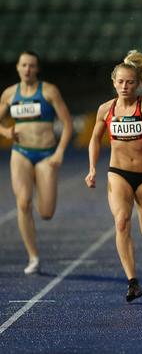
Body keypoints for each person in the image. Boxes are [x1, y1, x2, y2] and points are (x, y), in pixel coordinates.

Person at [85, 50, 142, 302]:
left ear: (137, 83)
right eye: (120, 81)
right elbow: (94, 140)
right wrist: (92, 168)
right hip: (117, 173)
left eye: (130, 82)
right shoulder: (105, 110)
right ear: (113, 82)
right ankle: (133, 282)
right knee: (121, 222)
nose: (124, 86)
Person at [0, 51, 73, 275]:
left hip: (46, 155)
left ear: (37, 69)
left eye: (32, 66)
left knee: (46, 212)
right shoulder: (10, 94)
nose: (27, 69)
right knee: (23, 203)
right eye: (24, 65)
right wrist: (5, 131)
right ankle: (33, 256)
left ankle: (35, 250)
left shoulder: (49, 91)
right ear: (18, 67)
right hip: (21, 153)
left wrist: (59, 152)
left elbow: (68, 124)